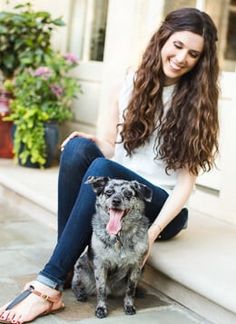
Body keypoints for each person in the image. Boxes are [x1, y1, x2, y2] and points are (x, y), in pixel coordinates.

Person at [0, 7, 219, 324]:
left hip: (160, 207)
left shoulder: (197, 103)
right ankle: (64, 269)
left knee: (104, 171)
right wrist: (89, 143)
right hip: (120, 189)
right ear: (162, 39)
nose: (182, 57)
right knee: (77, 149)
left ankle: (47, 287)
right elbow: (111, 151)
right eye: (178, 45)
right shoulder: (130, 82)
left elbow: (187, 183)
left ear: (201, 61)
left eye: (194, 54)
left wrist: (151, 234)